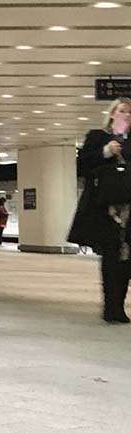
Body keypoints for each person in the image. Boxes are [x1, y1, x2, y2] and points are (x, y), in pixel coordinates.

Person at [68, 97, 131, 323]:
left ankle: (119, 305)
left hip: (128, 209)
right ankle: (110, 306)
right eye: (122, 111)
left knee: (126, 261)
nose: (126, 115)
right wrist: (106, 151)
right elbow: (83, 165)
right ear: (112, 113)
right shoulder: (97, 137)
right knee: (111, 258)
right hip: (104, 209)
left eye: (130, 112)